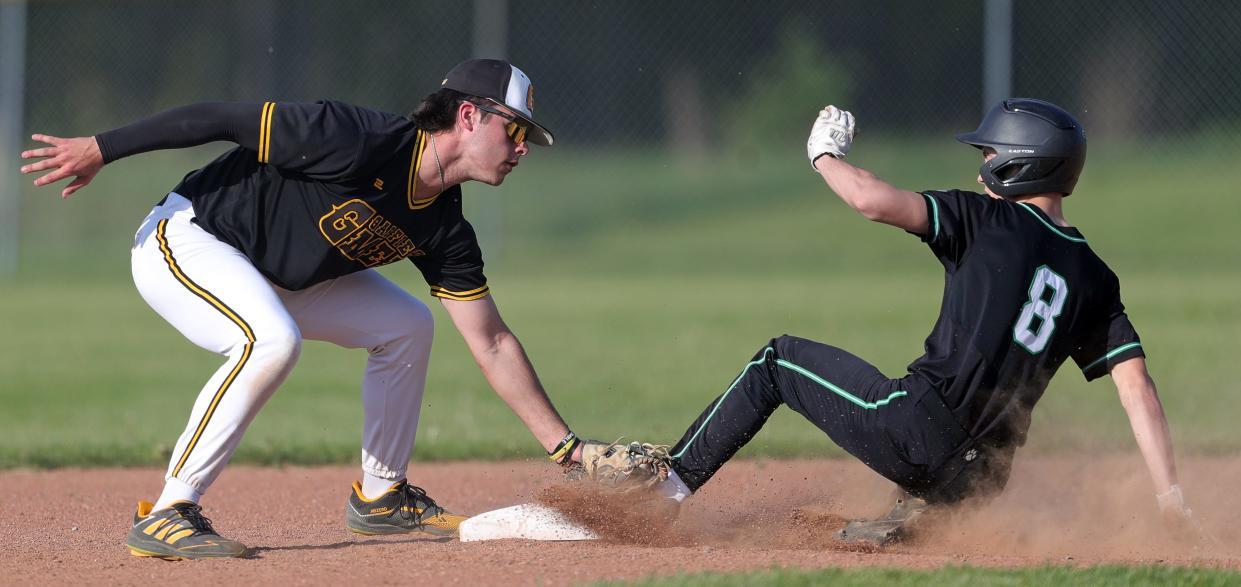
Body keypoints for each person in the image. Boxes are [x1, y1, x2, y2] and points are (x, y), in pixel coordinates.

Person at [20, 58, 593, 560]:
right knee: (270, 341)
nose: (522, 148)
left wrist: (569, 452)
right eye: (515, 130)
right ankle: (168, 510)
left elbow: (490, 341)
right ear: (468, 116)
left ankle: (382, 495)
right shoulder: (357, 138)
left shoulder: (444, 225)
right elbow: (220, 118)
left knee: (407, 325)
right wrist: (102, 147)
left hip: (281, 276)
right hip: (192, 237)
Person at [639, 99, 1199, 546]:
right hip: (984, 480)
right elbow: (1138, 391)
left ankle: (666, 489)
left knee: (777, 361)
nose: (980, 169)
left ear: (1018, 161)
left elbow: (872, 201)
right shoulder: (1095, 276)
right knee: (935, 453)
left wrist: (824, 156)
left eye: (988, 154)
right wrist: (1169, 499)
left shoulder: (983, 218)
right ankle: (922, 514)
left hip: (919, 432)